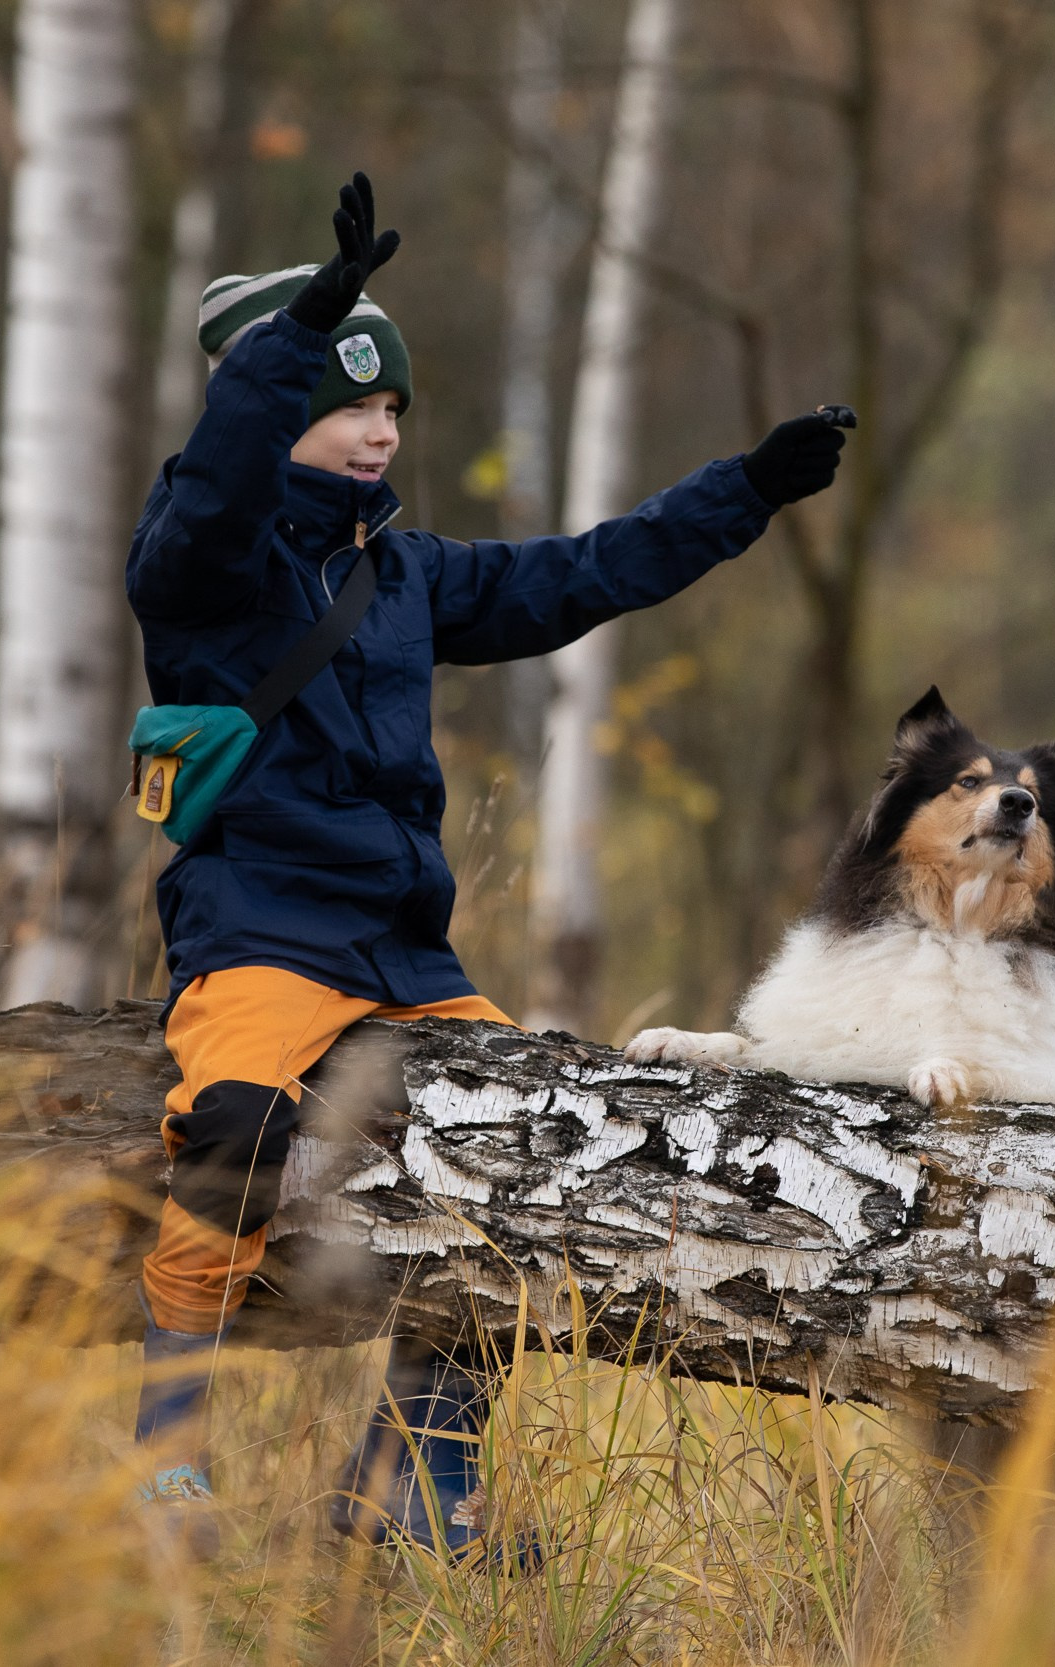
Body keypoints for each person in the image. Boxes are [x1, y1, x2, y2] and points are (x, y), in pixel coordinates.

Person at [124, 174, 847, 1540]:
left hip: (409, 956)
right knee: (233, 1131)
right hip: (260, 930)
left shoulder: (407, 579)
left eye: (394, 408)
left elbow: (583, 573)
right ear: (277, 405)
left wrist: (745, 491)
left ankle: (417, 1477)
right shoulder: (202, 569)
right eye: (355, 403)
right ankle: (168, 1446)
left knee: (537, 1154)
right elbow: (214, 487)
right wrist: (294, 343)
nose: (382, 429)